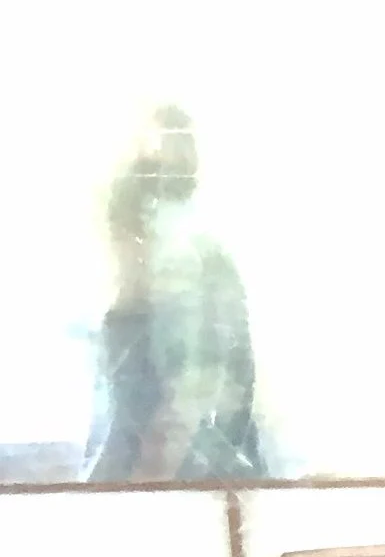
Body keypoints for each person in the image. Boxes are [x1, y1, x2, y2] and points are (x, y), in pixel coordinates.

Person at [84, 106, 263, 482]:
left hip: (197, 485)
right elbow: (112, 433)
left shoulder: (196, 280)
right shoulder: (121, 319)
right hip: (161, 484)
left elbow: (182, 418)